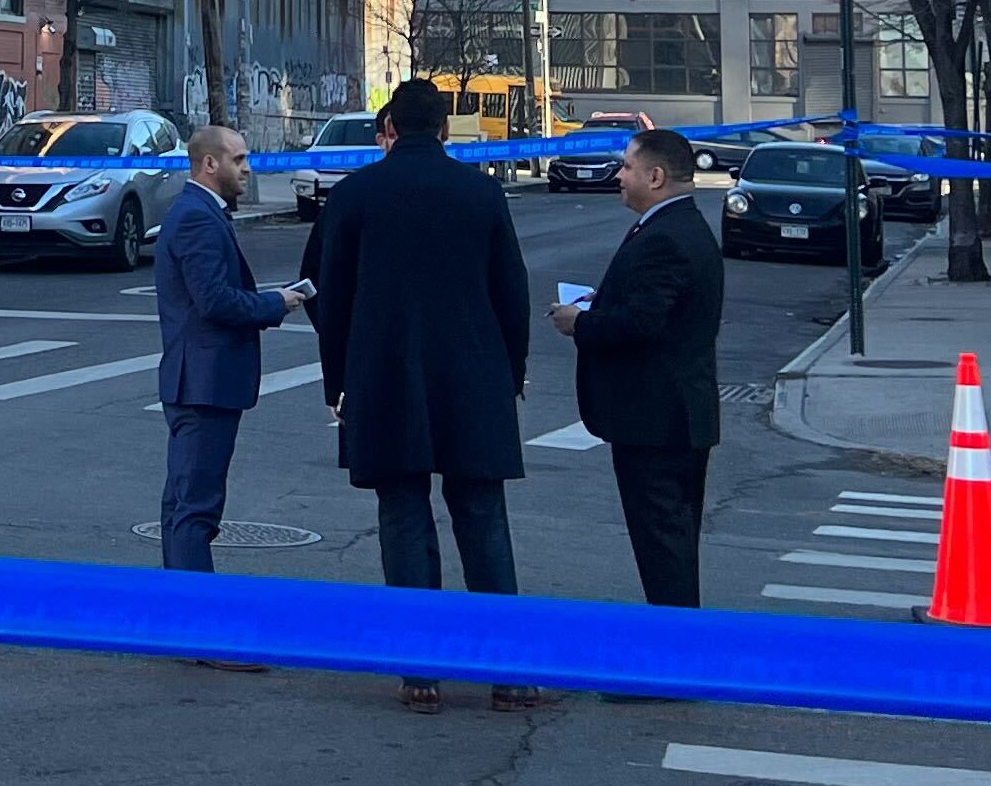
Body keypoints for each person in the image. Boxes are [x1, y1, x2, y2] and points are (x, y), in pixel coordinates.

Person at [307, 76, 536, 712]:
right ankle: (509, 670)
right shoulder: (482, 193)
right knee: (483, 516)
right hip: (474, 377)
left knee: (403, 513)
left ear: (389, 130)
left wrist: (339, 381)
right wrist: (510, 372)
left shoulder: (353, 197)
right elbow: (511, 294)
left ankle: (420, 669)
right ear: (445, 129)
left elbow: (328, 294)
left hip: (384, 377)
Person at [555, 127, 725, 610]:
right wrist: (601, 301)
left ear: (655, 176)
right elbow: (657, 306)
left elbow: (644, 323)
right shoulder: (674, 225)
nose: (620, 175)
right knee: (669, 541)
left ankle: (670, 663)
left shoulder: (667, 236)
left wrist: (581, 322)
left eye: (627, 167)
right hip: (671, 417)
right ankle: (675, 650)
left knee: (664, 545)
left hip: (657, 422)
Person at [153, 125, 307, 594]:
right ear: (209, 164)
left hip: (198, 380)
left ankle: (184, 616)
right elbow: (215, 301)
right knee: (195, 509)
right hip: (204, 383)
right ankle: (203, 627)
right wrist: (274, 303)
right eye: (239, 160)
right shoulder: (197, 217)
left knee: (183, 504)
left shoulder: (200, 212)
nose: (248, 168)